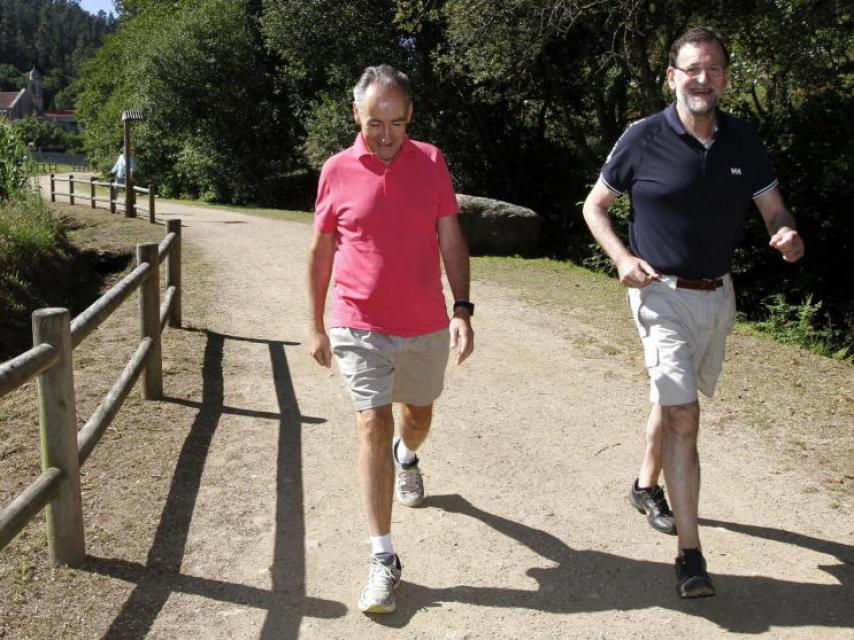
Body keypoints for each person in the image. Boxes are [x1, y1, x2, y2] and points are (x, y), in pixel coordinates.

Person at [582, 26, 804, 599]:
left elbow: (774, 208)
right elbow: (595, 207)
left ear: (725, 77)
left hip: (717, 298)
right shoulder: (643, 137)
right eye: (691, 69)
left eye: (712, 69)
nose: (702, 79)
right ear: (672, 77)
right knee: (685, 419)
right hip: (658, 293)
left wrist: (785, 233)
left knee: (671, 395)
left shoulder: (743, 141)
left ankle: (643, 484)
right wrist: (622, 259)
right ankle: (690, 553)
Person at [307, 64, 474, 614]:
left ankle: (409, 456)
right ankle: (383, 557)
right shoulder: (335, 170)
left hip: (423, 323)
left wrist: (462, 309)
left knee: (416, 418)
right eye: (375, 121)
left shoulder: (431, 162)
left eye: (396, 123)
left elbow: (450, 234)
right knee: (371, 422)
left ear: (410, 119)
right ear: (356, 113)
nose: (384, 134)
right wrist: (314, 323)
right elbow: (323, 249)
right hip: (358, 323)